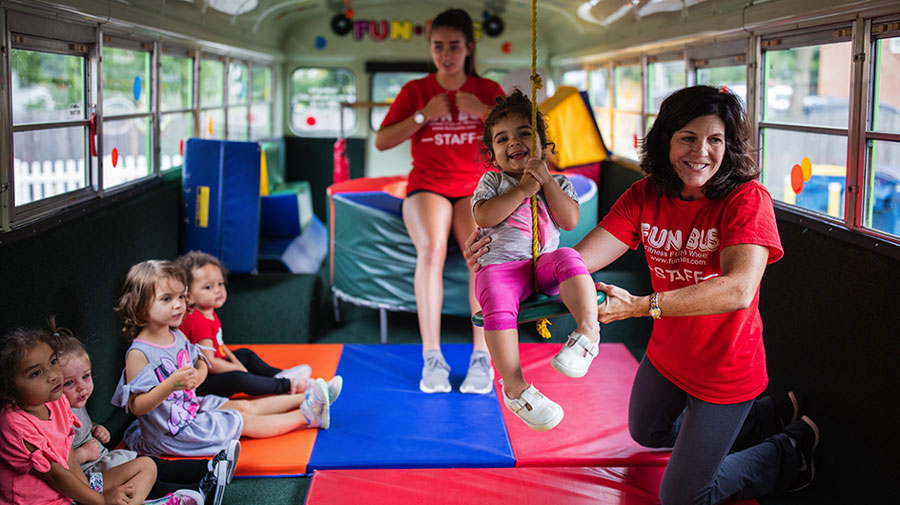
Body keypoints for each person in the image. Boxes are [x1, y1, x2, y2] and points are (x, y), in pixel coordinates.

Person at [465, 85, 820, 503]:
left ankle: (787, 450)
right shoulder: (646, 194)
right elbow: (579, 259)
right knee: (646, 432)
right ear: (666, 139)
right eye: (687, 138)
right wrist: (513, 267)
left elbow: (738, 290)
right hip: (668, 357)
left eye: (715, 140)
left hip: (724, 369)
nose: (700, 152)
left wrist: (639, 306)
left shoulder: (747, 198)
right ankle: (764, 417)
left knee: (683, 497)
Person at [374, 8, 505, 394]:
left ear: (468, 48)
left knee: (479, 253)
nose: (445, 55)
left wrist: (481, 112)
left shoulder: (486, 89)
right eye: (437, 47)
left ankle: (482, 356)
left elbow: (520, 135)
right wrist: (422, 116)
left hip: (475, 187)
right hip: (427, 185)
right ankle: (432, 357)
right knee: (431, 249)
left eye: (453, 46)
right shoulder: (416, 90)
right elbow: (382, 141)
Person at [111, 260, 335, 459]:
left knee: (242, 406)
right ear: (141, 305)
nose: (179, 304)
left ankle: (308, 396)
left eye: (181, 296)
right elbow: (136, 406)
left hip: (191, 408)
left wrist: (198, 374)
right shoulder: (139, 353)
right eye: (167, 299)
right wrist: (171, 385)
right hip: (173, 432)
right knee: (244, 421)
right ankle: (308, 415)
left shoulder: (175, 334)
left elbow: (200, 360)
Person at [472, 89, 599, 431]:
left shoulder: (557, 182)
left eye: (524, 133)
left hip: (542, 266)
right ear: (493, 154)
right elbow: (484, 216)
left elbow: (570, 220)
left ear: (543, 144)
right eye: (502, 139)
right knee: (495, 302)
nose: (514, 142)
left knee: (569, 256)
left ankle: (588, 332)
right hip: (501, 270)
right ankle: (515, 388)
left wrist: (544, 183)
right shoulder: (493, 181)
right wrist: (523, 190)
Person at [56, 329, 234, 505]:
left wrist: (95, 428)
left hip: (104, 460)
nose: (81, 387)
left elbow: (81, 429)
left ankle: (209, 468)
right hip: (89, 478)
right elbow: (54, 464)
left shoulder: (73, 403)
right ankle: (199, 491)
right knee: (148, 475)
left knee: (156, 465)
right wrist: (83, 453)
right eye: (69, 383)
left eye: (85, 376)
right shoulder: (54, 417)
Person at [0, 323, 157, 505]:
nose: (52, 375)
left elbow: (70, 459)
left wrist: (91, 497)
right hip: (44, 501)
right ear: (8, 389)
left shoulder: (57, 401)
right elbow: (56, 476)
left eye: (52, 362)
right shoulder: (14, 424)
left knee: (147, 466)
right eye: (36, 373)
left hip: (74, 489)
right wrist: (102, 501)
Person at [175, 251, 341, 400]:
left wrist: (236, 362)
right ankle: (288, 386)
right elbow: (210, 363)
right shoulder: (197, 321)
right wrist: (238, 370)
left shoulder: (208, 313)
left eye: (220, 284)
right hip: (202, 383)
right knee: (239, 379)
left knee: (245, 355)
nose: (218, 290)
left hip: (213, 367)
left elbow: (220, 347)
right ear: (188, 297)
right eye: (208, 287)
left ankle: (278, 375)